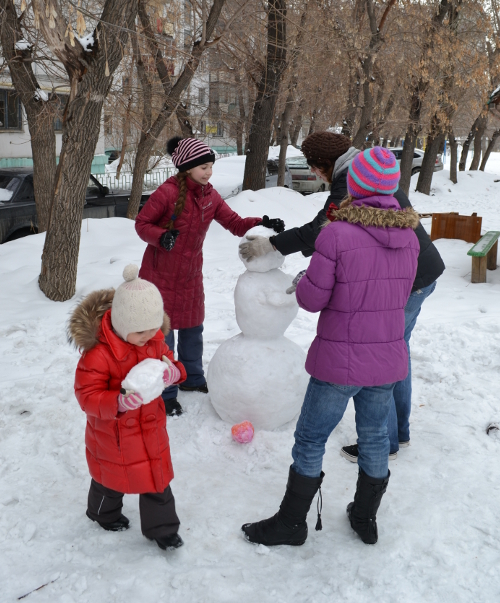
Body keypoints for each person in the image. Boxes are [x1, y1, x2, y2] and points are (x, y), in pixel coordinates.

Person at [241, 147, 420, 547]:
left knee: (310, 438)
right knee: (374, 436)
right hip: (386, 358)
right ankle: (364, 516)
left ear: (354, 187)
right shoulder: (409, 238)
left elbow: (312, 299)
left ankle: (290, 524)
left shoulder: (336, 233)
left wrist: (307, 277)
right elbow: (396, 293)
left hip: (340, 361)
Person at [239, 132, 445, 459]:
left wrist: (273, 245)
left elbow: (323, 227)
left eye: (314, 168)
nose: (316, 174)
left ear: (324, 165)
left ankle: (388, 440)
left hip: (402, 278)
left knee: (383, 355)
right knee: (393, 351)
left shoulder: (354, 181)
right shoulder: (368, 170)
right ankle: (397, 434)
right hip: (416, 270)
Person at [136, 137, 285, 417]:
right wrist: (161, 237)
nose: (208, 173)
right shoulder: (166, 194)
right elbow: (142, 223)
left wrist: (262, 222)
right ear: (187, 167)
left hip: (191, 275)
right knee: (163, 337)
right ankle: (166, 392)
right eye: (203, 167)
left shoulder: (210, 196)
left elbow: (234, 223)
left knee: (193, 330)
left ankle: (192, 379)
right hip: (160, 276)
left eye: (210, 167)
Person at [69, 265, 187, 552]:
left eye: (154, 328)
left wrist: (175, 373)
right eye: (141, 332)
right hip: (114, 434)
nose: (150, 336)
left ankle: (163, 530)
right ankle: (101, 513)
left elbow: (170, 362)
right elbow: (87, 394)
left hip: (150, 428)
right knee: (110, 480)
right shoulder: (98, 354)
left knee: (156, 480)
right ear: (122, 325)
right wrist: (117, 402)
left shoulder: (154, 339)